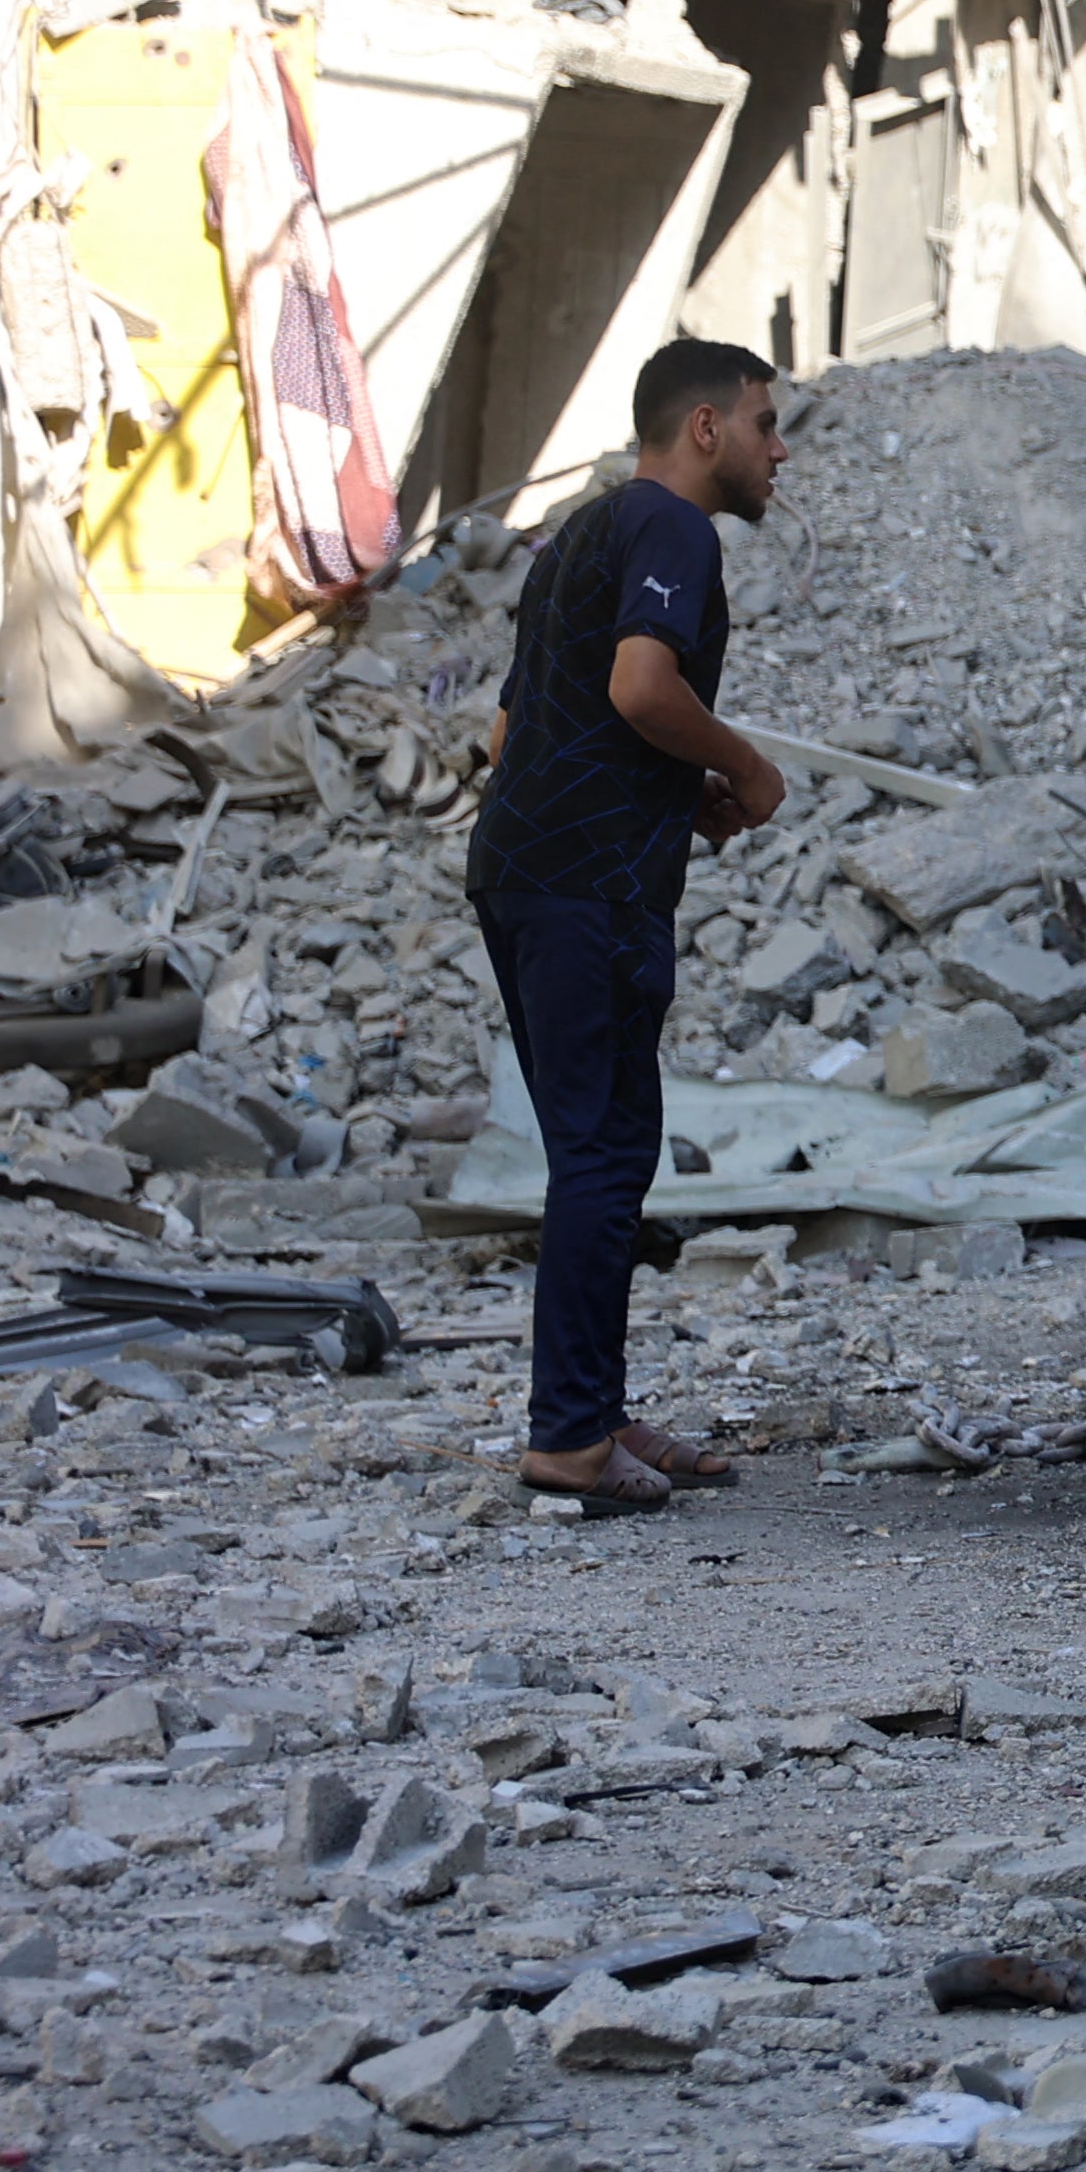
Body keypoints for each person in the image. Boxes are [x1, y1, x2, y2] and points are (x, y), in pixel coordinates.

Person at [468, 339, 793, 1513]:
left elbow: (515, 740)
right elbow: (642, 690)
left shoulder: (574, 540)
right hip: (588, 886)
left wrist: (672, 795)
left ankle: (596, 1414)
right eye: (763, 421)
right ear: (704, 428)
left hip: (522, 871)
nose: (777, 446)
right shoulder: (672, 527)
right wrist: (748, 772)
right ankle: (565, 1441)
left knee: (597, 1148)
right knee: (605, 1154)